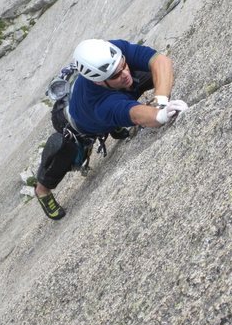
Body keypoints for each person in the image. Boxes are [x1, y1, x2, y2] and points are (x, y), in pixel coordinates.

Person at [35, 39, 188, 220]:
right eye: (116, 74)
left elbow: (161, 61)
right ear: (99, 82)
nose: (125, 73)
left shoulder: (112, 52)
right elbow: (136, 114)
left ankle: (115, 126)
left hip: (110, 96)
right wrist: (160, 115)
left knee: (149, 73)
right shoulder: (99, 105)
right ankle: (42, 190)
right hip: (74, 123)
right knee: (62, 147)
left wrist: (161, 101)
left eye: (124, 65)